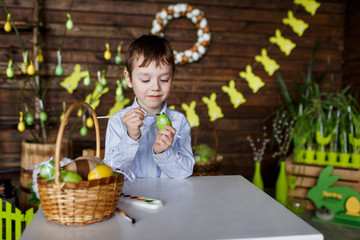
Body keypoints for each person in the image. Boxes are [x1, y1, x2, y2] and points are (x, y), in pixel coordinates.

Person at [104, 35, 194, 178]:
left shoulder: (179, 121)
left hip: (170, 198)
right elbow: (110, 170)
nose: (155, 87)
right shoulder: (117, 121)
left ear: (172, 77)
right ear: (129, 79)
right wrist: (131, 138)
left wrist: (164, 152)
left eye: (164, 79)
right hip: (129, 198)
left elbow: (185, 172)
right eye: (145, 79)